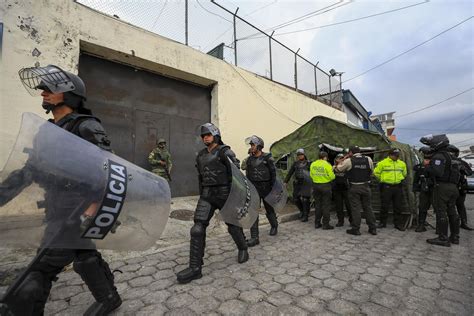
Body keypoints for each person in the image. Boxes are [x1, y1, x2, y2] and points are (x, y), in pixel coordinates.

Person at [1, 65, 121, 315]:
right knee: (84, 256)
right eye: (43, 88)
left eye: (49, 88)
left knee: (37, 273)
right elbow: (28, 170)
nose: (42, 92)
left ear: (69, 94)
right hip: (55, 206)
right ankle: (109, 297)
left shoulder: (86, 126)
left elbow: (108, 169)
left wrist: (93, 209)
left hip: (76, 210)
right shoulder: (45, 131)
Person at [176, 123, 248, 284]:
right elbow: (201, 177)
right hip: (207, 195)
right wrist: (201, 194)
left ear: (215, 135)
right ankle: (195, 268)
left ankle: (243, 247)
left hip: (224, 195)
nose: (205, 138)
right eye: (203, 136)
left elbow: (236, 176)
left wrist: (236, 197)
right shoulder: (201, 155)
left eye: (208, 134)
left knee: (233, 226)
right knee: (197, 228)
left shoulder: (225, 152)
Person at [420, 134, 461, 247]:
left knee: (441, 211)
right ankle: (455, 236)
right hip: (453, 187)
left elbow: (437, 172)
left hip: (442, 187)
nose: (430, 146)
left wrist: (427, 166)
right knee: (452, 211)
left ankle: (443, 237)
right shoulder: (450, 156)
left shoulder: (439, 156)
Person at [245, 135, 279, 247]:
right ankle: (254, 237)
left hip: (266, 188)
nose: (251, 147)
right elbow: (247, 173)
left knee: (269, 209)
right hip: (254, 188)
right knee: (253, 212)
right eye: (250, 145)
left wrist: (273, 189)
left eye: (253, 145)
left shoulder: (268, 158)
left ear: (259, 146)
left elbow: (273, 174)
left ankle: (274, 225)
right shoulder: (249, 159)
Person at [335, 146, 377, 236]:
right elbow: (371, 171)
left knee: (356, 209)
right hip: (366, 187)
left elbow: (338, 169)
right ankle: (373, 228)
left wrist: (342, 160)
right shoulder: (368, 159)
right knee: (368, 208)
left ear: (350, 152)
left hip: (354, 187)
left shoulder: (349, 160)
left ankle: (356, 229)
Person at [374, 148, 408, 231]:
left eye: (397, 156)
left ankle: (398, 224)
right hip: (386, 186)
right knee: (384, 205)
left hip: (397, 186)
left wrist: (399, 179)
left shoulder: (402, 163)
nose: (396, 157)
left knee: (398, 206)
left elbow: (404, 174)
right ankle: (382, 223)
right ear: (390, 155)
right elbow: (376, 173)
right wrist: (383, 179)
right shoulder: (382, 163)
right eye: (395, 155)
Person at [447, 145, 473, 231]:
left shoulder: (461, 162)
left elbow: (469, 172)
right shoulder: (445, 161)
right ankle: (450, 224)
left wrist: (461, 168)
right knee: (449, 206)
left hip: (460, 187)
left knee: (460, 205)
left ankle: (464, 223)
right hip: (449, 187)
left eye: (451, 153)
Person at [284, 148, 312, 222]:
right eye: (298, 155)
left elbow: (312, 173)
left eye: (301, 154)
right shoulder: (295, 163)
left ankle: (306, 216)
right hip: (297, 182)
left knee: (305, 199)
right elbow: (290, 172)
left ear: (304, 155)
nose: (300, 156)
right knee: (296, 198)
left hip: (306, 182)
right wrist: (285, 181)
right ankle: (302, 211)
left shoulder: (309, 163)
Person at [310, 151, 335, 229]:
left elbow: (311, 175)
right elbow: (332, 177)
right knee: (326, 205)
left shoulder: (313, 164)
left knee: (318, 205)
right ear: (325, 157)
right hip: (325, 186)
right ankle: (325, 224)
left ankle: (317, 223)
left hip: (316, 186)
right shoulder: (327, 165)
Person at [413, 147, 434, 232]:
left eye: (428, 159)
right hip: (424, 190)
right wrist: (415, 188)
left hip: (435, 189)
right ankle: (421, 224)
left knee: (439, 208)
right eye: (425, 158)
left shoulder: (436, 166)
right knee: (422, 207)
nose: (426, 160)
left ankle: (441, 229)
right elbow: (416, 179)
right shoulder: (420, 167)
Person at [332, 153, 353, 227]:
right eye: (339, 158)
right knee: (339, 206)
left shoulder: (347, 166)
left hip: (346, 189)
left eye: (342, 158)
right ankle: (340, 221)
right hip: (336, 189)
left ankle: (352, 221)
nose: (340, 160)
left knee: (349, 206)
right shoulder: (333, 167)